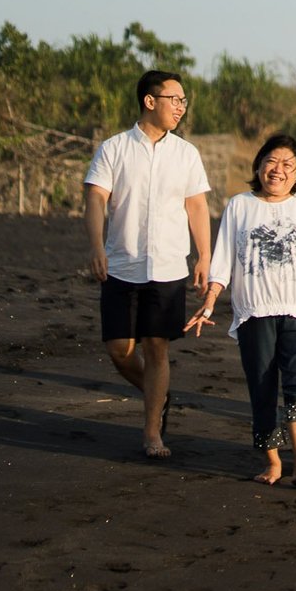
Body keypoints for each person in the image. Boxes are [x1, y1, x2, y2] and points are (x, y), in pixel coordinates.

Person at [186, 134, 296, 486]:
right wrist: (209, 304)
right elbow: (222, 262)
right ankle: (273, 463)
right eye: (271, 161)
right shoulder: (239, 205)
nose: (278, 170)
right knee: (262, 388)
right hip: (254, 313)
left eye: (288, 165)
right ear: (258, 165)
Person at [83, 69, 212, 459]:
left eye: (184, 101)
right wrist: (96, 247)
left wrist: (204, 255)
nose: (181, 108)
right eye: (175, 99)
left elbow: (197, 206)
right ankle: (159, 395)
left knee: (157, 347)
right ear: (150, 101)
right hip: (121, 263)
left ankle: (152, 430)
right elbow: (94, 200)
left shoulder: (186, 154)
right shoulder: (114, 148)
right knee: (119, 350)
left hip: (169, 266)